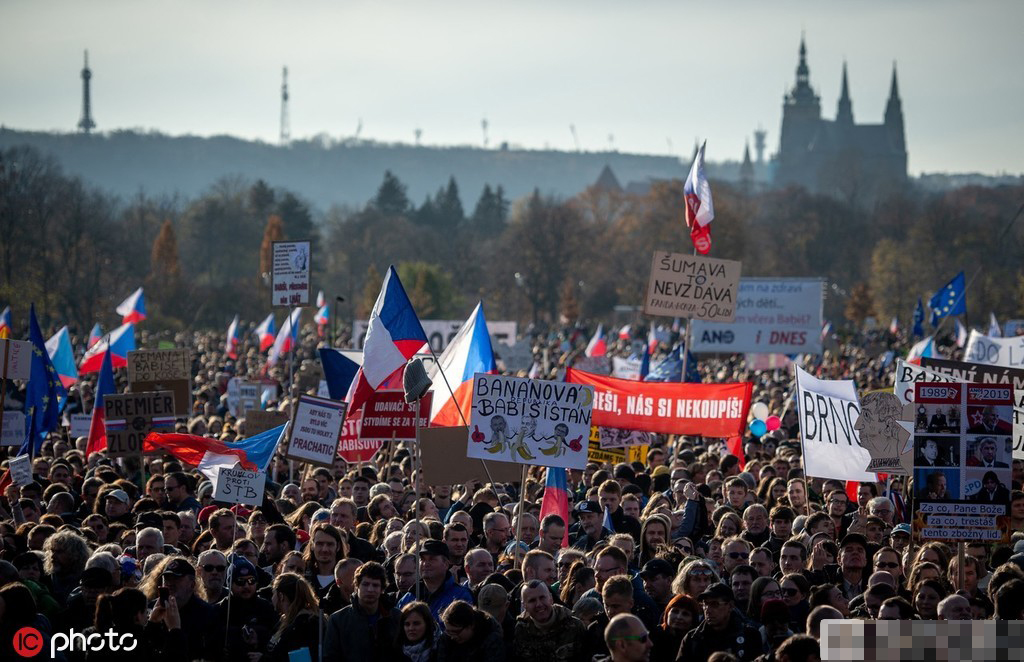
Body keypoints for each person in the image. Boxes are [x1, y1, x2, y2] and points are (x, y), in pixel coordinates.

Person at [323, 561, 400, 660]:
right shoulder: (338, 620)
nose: (370, 589)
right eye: (365, 584)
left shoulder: (396, 617)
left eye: (375, 585)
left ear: (382, 589)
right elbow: (330, 657)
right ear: (356, 586)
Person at [677, 582, 761, 661]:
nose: (708, 610)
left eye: (714, 604)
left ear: (730, 606)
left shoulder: (749, 636)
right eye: (705, 604)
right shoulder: (692, 639)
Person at [215, 556, 277, 662]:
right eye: (240, 581)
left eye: (251, 580)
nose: (246, 586)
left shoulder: (266, 608)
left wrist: (260, 638)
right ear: (230, 584)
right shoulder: (220, 609)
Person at [397, 539, 473, 623]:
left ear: (446, 564)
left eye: (432, 559)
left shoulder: (460, 596)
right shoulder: (409, 598)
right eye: (422, 559)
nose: (425, 564)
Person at [512, 579, 588, 661]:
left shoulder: (574, 626)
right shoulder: (521, 629)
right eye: (532, 600)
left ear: (551, 598)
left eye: (542, 598)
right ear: (524, 606)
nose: (539, 604)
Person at [260, 573, 326, 662]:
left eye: (273, 593)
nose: (272, 598)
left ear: (281, 596)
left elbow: (301, 659)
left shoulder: (303, 626)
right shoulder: (288, 620)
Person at [436, 599, 506, 661]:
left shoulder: (491, 640)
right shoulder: (447, 639)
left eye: (456, 632)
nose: (452, 636)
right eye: (448, 631)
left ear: (471, 625)